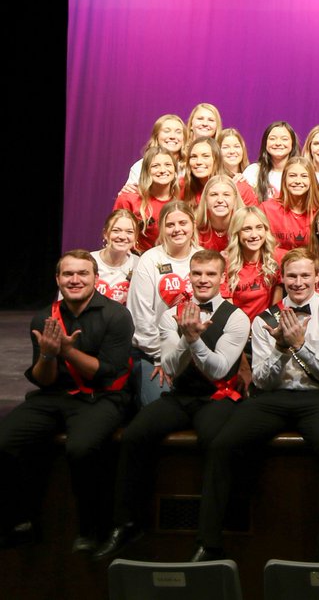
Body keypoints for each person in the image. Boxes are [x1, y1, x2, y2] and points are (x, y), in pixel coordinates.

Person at [194, 248, 319, 562]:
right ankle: (208, 543)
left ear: (317, 278)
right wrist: (281, 348)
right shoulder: (265, 318)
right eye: (292, 276)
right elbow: (262, 382)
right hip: (273, 398)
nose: (298, 282)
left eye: (305, 275)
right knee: (223, 443)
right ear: (282, 278)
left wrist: (300, 346)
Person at [92, 250, 250, 561]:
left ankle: (210, 539)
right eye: (197, 274)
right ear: (189, 277)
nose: (203, 280)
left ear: (223, 278)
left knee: (217, 443)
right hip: (181, 395)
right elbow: (170, 367)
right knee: (135, 434)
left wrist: (194, 341)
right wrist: (185, 338)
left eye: (210, 274)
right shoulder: (169, 315)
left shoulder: (237, 317)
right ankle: (126, 524)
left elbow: (219, 370)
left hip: (217, 396)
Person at [0, 251, 134, 551]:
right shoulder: (43, 317)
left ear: (95, 279)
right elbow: (43, 379)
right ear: (58, 279)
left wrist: (67, 351)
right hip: (53, 395)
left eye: (82, 273)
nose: (75, 280)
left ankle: (92, 527)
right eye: (68, 274)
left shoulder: (116, 315)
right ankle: (20, 520)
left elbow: (106, 373)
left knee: (82, 448)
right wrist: (48, 354)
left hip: (101, 397)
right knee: (4, 440)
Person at [127, 201, 201, 407]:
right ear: (161, 228)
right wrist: (162, 358)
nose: (177, 229)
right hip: (154, 354)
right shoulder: (149, 260)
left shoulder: (202, 257)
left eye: (183, 223)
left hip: (195, 352)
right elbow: (140, 317)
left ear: (193, 224)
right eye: (170, 225)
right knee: (159, 407)